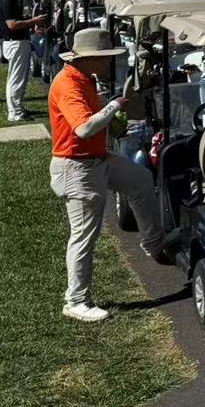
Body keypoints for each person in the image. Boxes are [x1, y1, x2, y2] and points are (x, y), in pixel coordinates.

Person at [47, 27, 167, 322]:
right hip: (77, 168)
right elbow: (84, 128)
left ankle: (154, 244)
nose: (108, 62)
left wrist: (112, 115)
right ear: (88, 58)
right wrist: (114, 106)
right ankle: (76, 301)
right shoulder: (68, 85)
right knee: (84, 235)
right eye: (105, 57)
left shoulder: (85, 79)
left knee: (140, 180)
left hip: (96, 160)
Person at [0, 0, 48, 121]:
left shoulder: (11, 0)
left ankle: (17, 107)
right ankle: (15, 113)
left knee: (19, 78)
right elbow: (12, 25)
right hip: (15, 43)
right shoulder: (7, 1)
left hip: (17, 42)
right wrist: (33, 21)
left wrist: (27, 20)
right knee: (16, 79)